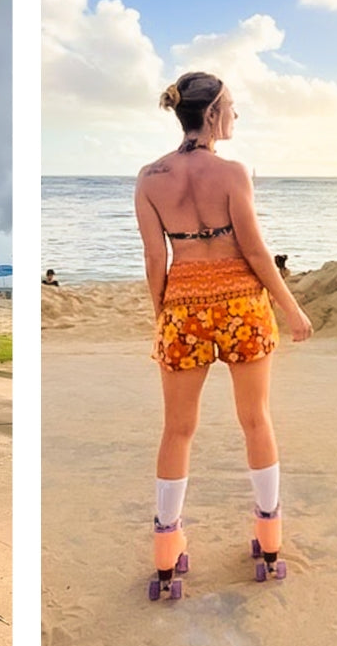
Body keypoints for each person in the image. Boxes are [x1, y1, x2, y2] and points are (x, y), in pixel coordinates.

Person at [134, 71, 314, 593]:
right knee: (255, 419)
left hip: (184, 304)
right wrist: (292, 310)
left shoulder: (149, 178)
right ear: (211, 113)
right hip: (241, 304)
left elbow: (154, 258)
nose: (236, 115)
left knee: (177, 430)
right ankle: (269, 537)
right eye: (231, 107)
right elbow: (255, 252)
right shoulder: (234, 172)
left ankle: (167, 552)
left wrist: (162, 313)